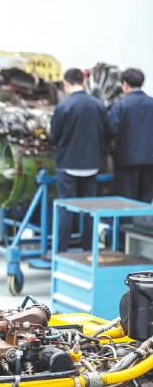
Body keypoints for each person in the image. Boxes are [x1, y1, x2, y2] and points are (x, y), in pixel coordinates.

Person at [51, 68, 109, 252]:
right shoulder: (98, 105)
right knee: (89, 209)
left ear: (66, 83)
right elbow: (106, 133)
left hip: (68, 165)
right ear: (83, 82)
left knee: (66, 208)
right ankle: (89, 249)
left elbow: (54, 136)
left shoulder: (63, 107)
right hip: (92, 165)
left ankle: (61, 251)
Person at [108, 68, 153, 204]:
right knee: (145, 198)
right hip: (150, 159)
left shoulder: (120, 105)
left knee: (126, 200)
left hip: (126, 159)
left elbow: (111, 130)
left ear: (125, 84)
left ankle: (127, 219)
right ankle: (143, 218)